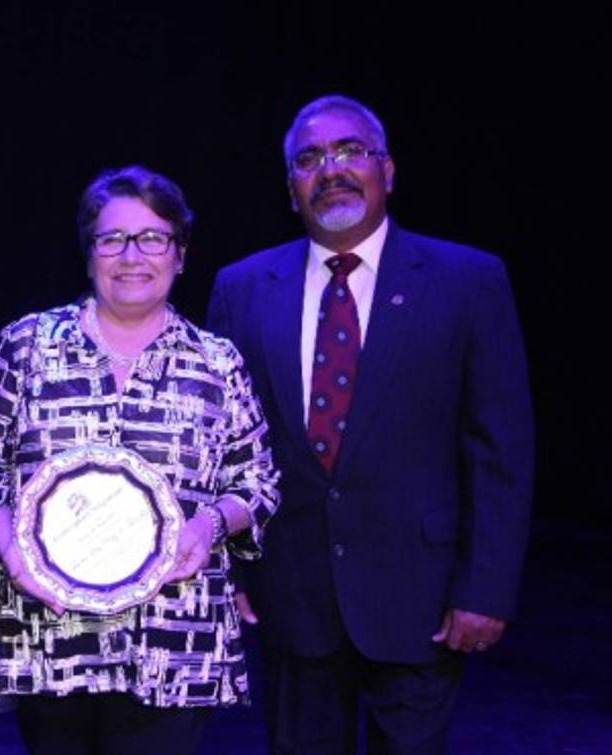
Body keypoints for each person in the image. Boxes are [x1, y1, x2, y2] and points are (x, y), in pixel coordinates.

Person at [206, 94, 534, 753]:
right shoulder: (240, 287)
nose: (331, 169)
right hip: (289, 597)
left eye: (350, 151)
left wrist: (485, 589)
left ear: (388, 170)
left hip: (423, 601)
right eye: (309, 159)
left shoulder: (468, 280)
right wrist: (228, 571)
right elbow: (218, 446)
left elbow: (501, 449)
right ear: (290, 186)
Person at [0, 165, 279, 755]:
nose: (133, 256)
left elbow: (258, 482)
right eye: (113, 239)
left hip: (174, 638)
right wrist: (14, 556)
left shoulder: (217, 362)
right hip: (49, 628)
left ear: (180, 255)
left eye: (153, 238)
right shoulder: (27, 346)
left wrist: (208, 526)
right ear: (89, 254)